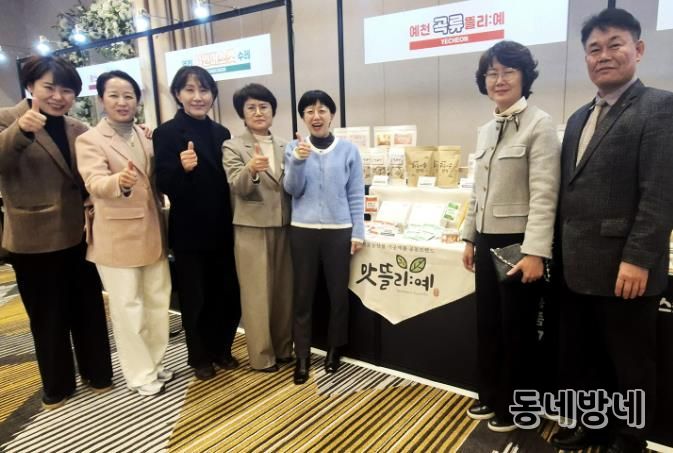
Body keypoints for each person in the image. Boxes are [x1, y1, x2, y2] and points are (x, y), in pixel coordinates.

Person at [550, 9, 673, 453]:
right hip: (576, 266)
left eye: (614, 44)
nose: (603, 55)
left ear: (638, 49)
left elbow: (660, 193)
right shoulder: (578, 117)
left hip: (626, 267)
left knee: (630, 362)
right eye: (594, 49)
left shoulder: (660, 107)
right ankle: (594, 425)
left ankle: (630, 439)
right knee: (587, 355)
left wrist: (638, 258)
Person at [0, 56, 113, 410]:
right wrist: (21, 132)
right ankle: (58, 385)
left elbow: (93, 171)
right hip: (33, 239)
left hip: (79, 235)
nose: (58, 96)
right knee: (48, 316)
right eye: (49, 87)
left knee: (88, 308)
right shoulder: (7, 119)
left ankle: (97, 373)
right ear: (30, 86)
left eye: (67, 90)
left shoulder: (77, 128)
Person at [460, 41, 561, 432]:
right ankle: (491, 394)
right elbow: (477, 190)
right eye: (492, 73)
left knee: (517, 327)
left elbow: (545, 194)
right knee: (488, 323)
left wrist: (536, 251)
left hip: (519, 243)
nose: (499, 80)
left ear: (524, 77)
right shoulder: (486, 129)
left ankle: (518, 406)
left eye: (508, 72)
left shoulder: (540, 124)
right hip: (486, 240)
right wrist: (469, 237)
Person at [76, 70, 172, 396]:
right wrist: (119, 182)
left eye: (128, 96)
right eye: (114, 95)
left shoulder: (146, 135)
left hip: (153, 232)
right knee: (128, 308)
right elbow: (94, 182)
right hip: (117, 237)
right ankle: (140, 374)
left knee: (157, 302)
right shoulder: (90, 139)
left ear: (137, 101)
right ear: (101, 99)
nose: (122, 102)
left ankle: (156, 363)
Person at [154, 66, 241, 380]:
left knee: (226, 294)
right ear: (178, 94)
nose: (198, 97)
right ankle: (200, 357)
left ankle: (222, 349)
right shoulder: (166, 133)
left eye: (204, 90)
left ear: (213, 95)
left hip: (223, 226)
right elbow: (164, 184)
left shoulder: (222, 133)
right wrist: (183, 169)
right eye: (190, 90)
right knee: (196, 298)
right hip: (190, 231)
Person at [284, 90, 365, 385]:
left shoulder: (349, 151)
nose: (316, 116)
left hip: (338, 230)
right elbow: (292, 189)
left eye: (322, 110)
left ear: (332, 115)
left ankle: (334, 349)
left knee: (337, 294)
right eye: (309, 111)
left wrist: (358, 231)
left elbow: (355, 193)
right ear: (303, 117)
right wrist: (297, 160)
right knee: (302, 295)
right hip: (302, 230)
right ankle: (302, 356)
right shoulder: (294, 148)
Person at [222, 83, 293, 372]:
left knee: (284, 292)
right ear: (242, 113)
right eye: (251, 107)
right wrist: (250, 169)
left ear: (272, 111)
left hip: (285, 225)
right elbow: (236, 186)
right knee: (256, 294)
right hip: (251, 228)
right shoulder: (232, 146)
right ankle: (262, 357)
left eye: (264, 106)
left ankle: (283, 348)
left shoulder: (286, 145)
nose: (258, 112)